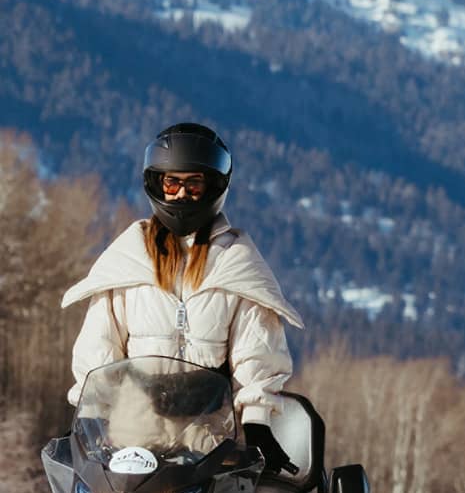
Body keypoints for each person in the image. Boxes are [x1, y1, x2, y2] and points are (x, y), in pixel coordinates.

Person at [62, 122, 303, 474]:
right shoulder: (128, 259)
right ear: (156, 183)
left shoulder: (237, 262)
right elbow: (98, 347)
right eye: (171, 183)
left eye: (193, 184)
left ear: (213, 186)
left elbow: (259, 351)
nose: (181, 194)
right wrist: (89, 415)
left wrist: (257, 422)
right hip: (130, 439)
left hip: (208, 442)